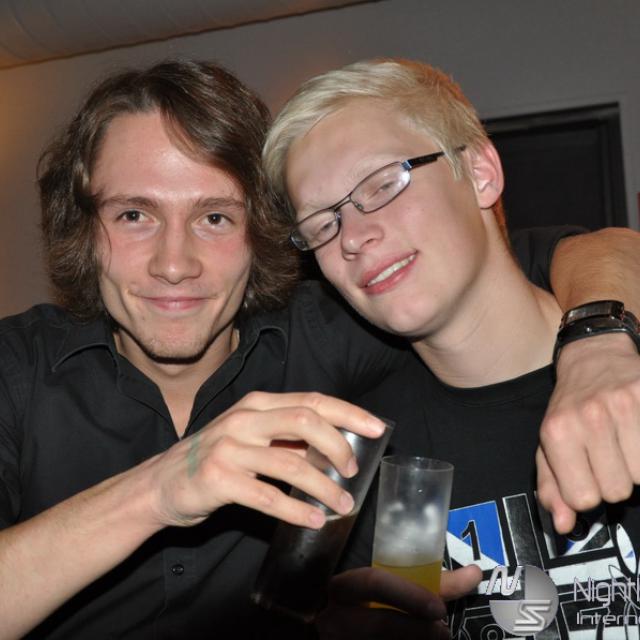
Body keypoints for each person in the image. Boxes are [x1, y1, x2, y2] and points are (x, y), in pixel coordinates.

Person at [0, 58, 638, 640]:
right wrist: (161, 488)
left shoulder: (341, 332)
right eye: (133, 215)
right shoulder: (17, 367)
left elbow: (570, 250)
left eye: (215, 217)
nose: (174, 264)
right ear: (85, 229)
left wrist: (599, 341)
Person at [263, 57, 640, 638]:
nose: (354, 238)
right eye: (322, 224)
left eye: (382, 184)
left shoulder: (623, 367)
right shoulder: (359, 457)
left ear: (481, 173)